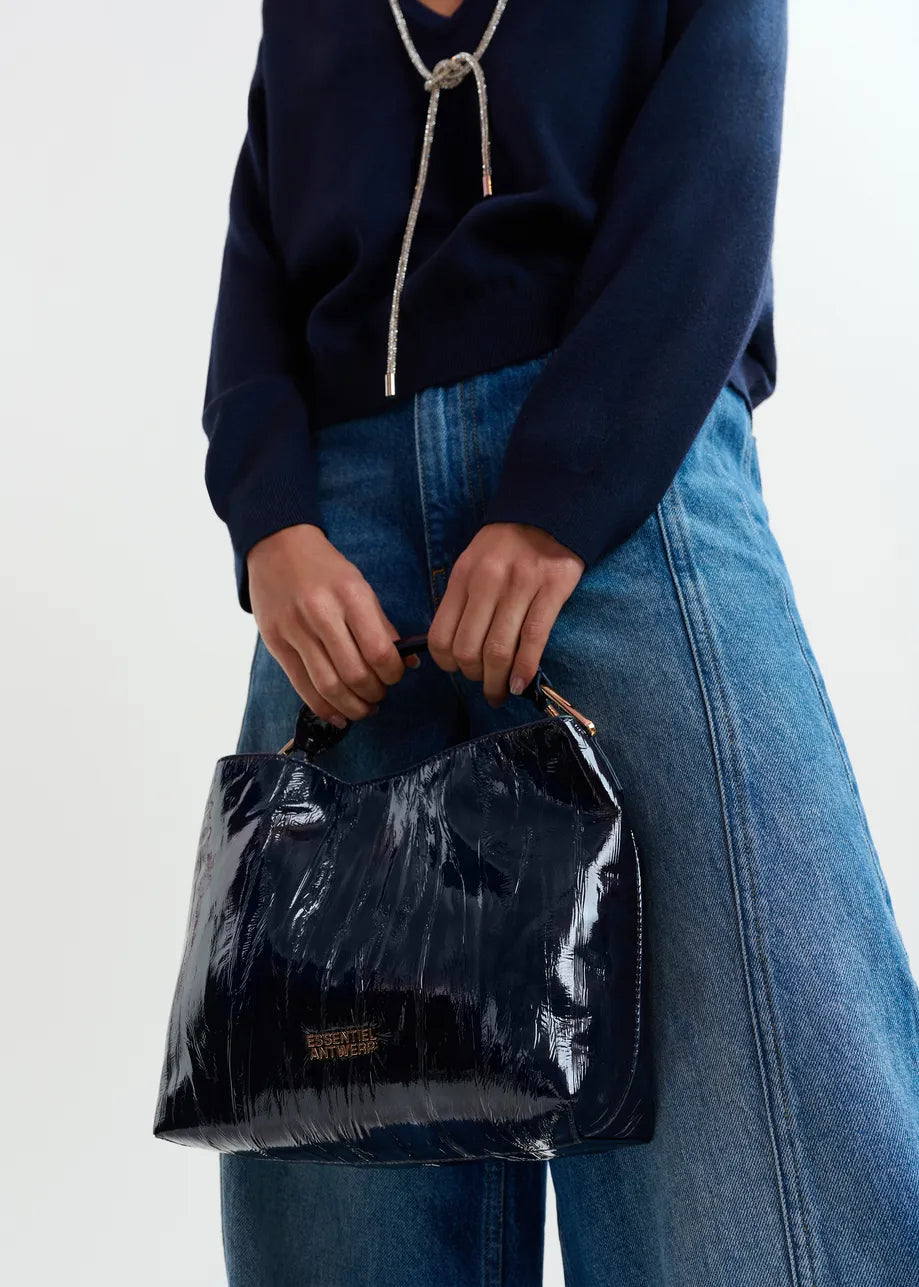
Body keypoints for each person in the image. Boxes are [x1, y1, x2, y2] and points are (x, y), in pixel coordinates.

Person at [202, 1, 919, 1283]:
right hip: (334, 567)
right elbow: (258, 240)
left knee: (762, 1187)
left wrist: (565, 490)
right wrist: (269, 522)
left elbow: (711, 176)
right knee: (334, 1201)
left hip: (628, 503)